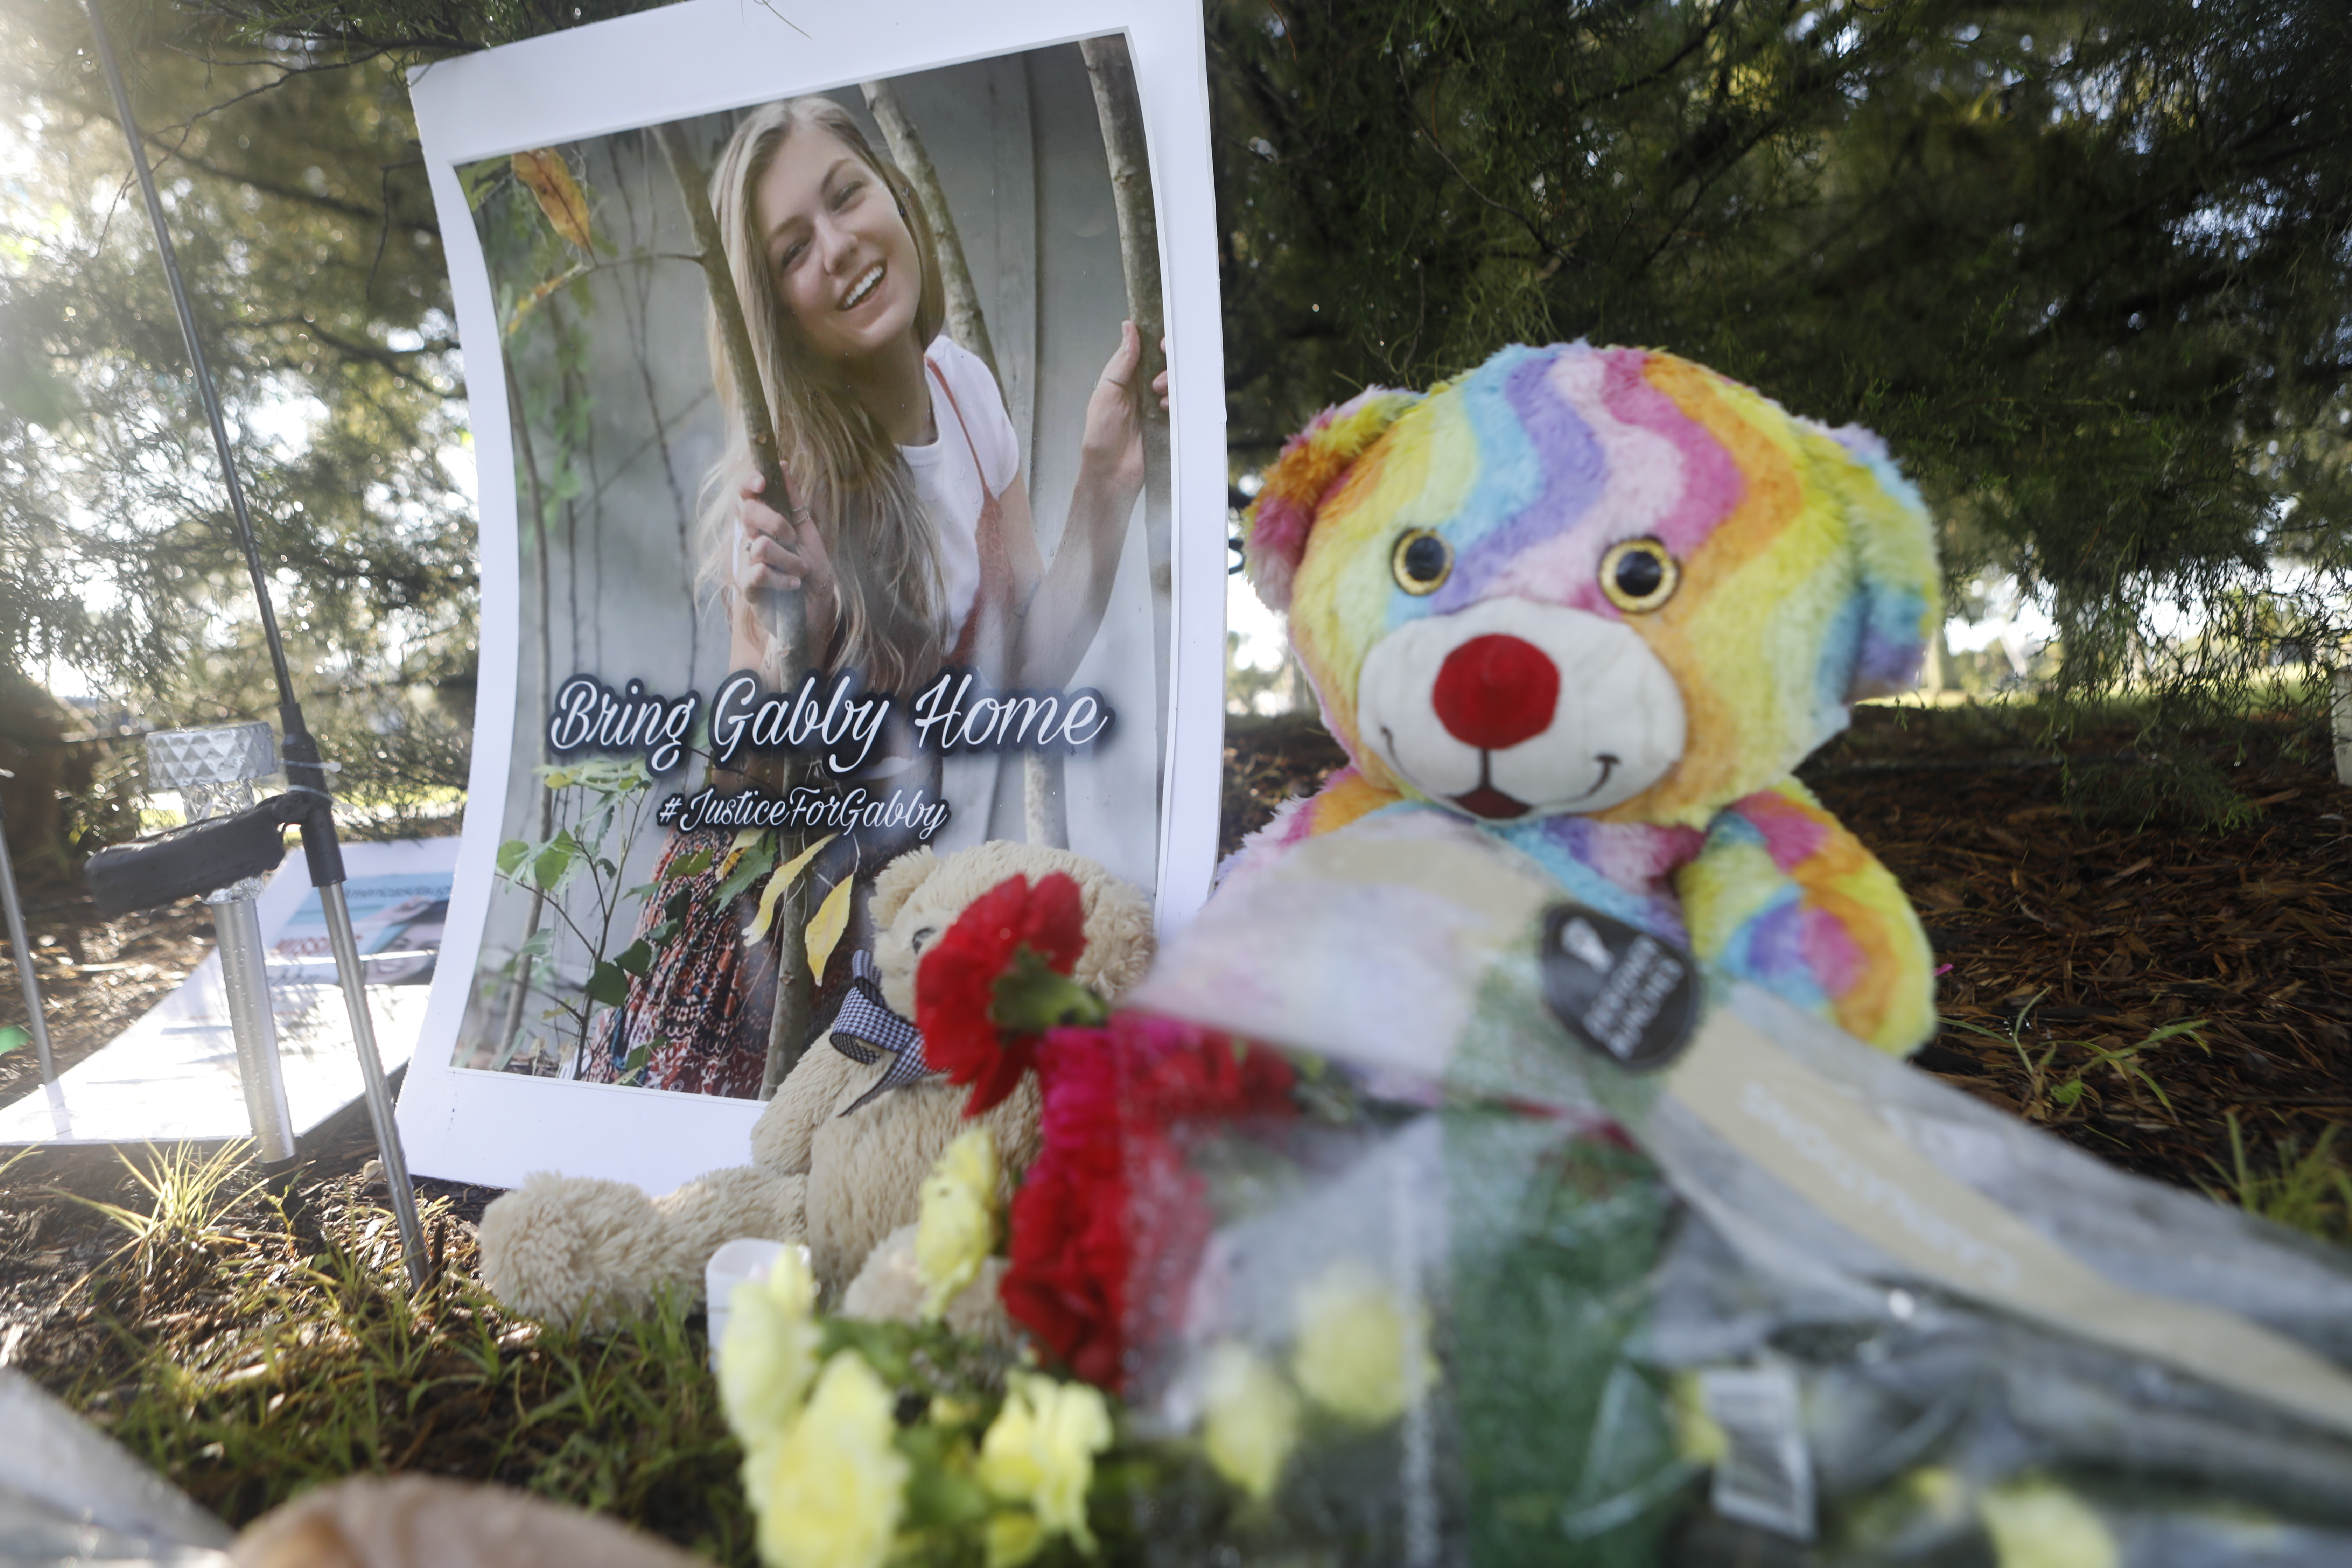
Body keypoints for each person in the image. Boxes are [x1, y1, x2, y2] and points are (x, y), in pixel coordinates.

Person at [584, 95, 1162, 1095]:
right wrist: (776, 656)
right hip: (769, 933)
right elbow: (742, 796)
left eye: (848, 196)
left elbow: (1022, 667)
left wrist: (1106, 479)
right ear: (776, 311)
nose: (841, 246)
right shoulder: (789, 486)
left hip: (886, 905)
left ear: (893, 189)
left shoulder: (964, 390)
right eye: (792, 251)